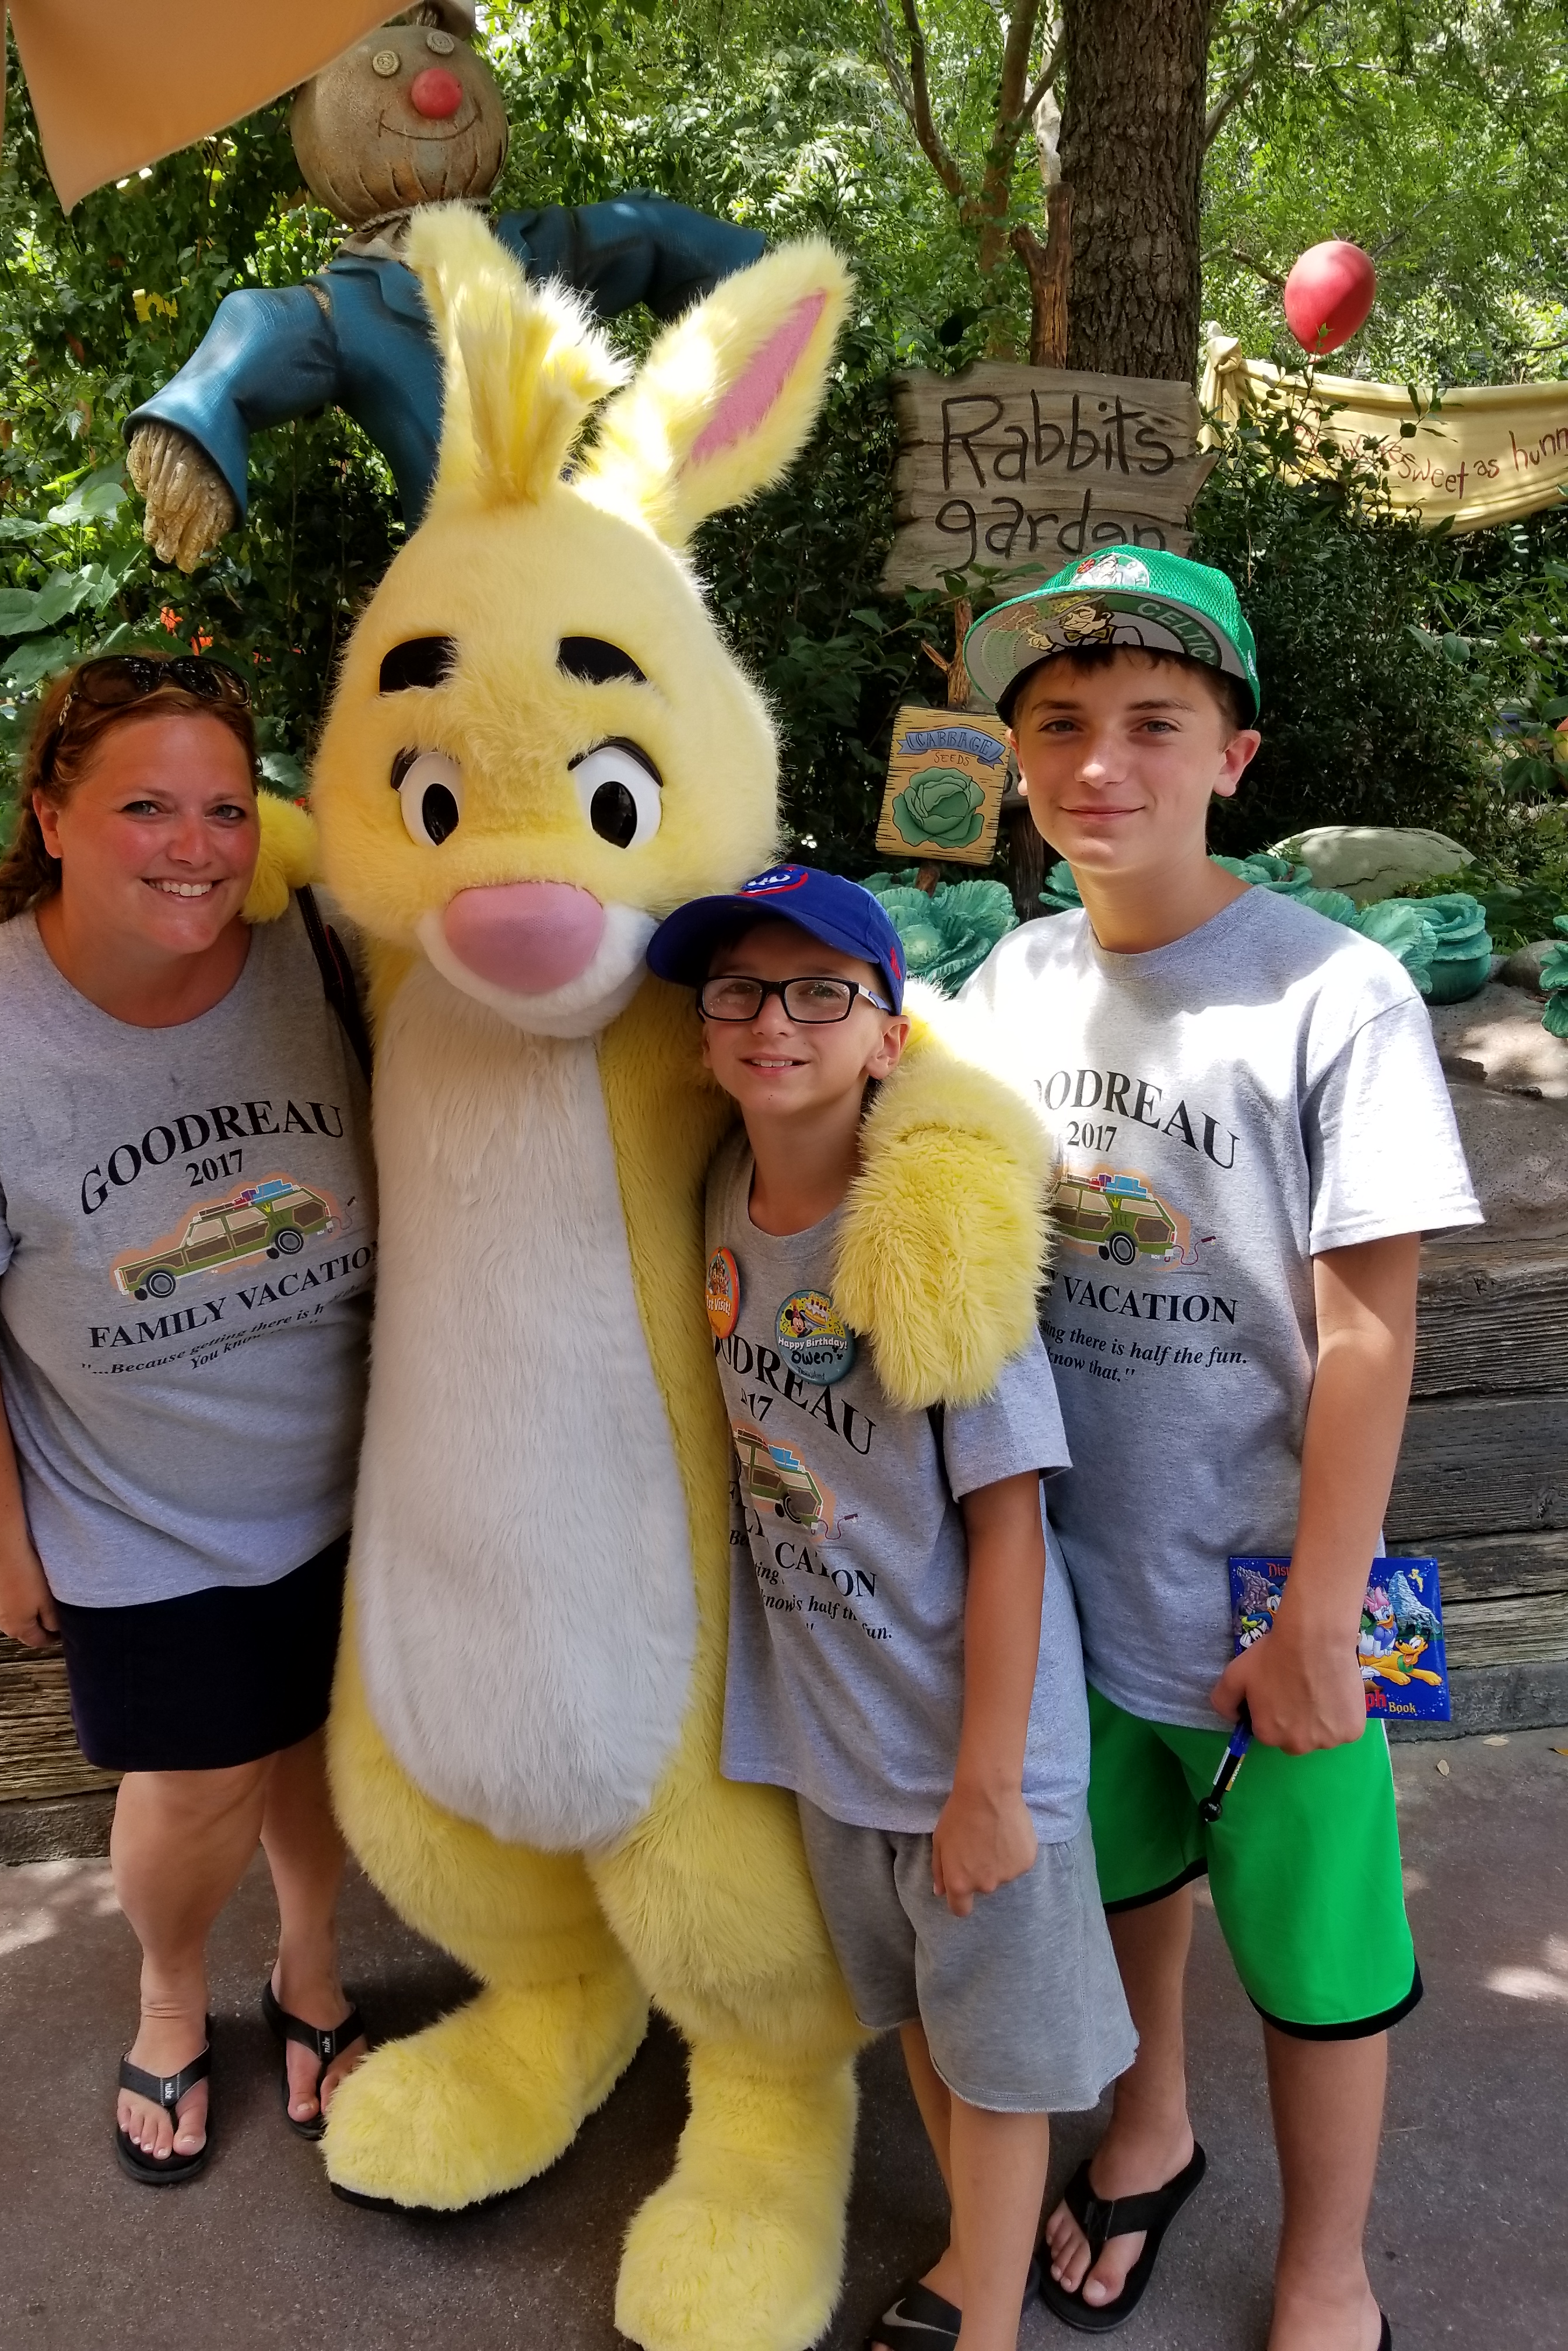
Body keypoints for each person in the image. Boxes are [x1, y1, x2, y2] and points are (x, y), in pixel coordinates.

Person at [959, 550, 1481, 2350]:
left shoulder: (1336, 993)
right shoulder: (1010, 982)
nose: (1101, 764)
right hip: (1068, 1578)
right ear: (1016, 759)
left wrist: (1326, 1606)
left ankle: (1330, 2267)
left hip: (1292, 1590)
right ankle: (1151, 2127)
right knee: (1124, 1879)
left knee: (1326, 1958)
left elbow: (1370, 1328)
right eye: (1059, 724)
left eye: (1153, 725)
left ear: (1235, 757)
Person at [0, 654, 379, 2185]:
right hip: (143, 1518)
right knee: (199, 1781)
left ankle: (313, 1970)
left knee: (322, 1751)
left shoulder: (320, 953)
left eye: (225, 808)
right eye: (147, 808)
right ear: (52, 817)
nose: (195, 847)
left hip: (362, 1482)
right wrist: (0, 1546)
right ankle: (169, 1993)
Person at [646, 868, 1136, 2351]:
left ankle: (989, 2323)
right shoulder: (721, 1196)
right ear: (702, 1033)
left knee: (1000, 2072)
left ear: (886, 1034)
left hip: (965, 1751)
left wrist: (989, 1783)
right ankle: (979, 2261)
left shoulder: (930, 1241)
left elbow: (1010, 1526)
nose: (774, 1022)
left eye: (820, 994)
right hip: (837, 1741)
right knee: (927, 2021)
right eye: (740, 991)